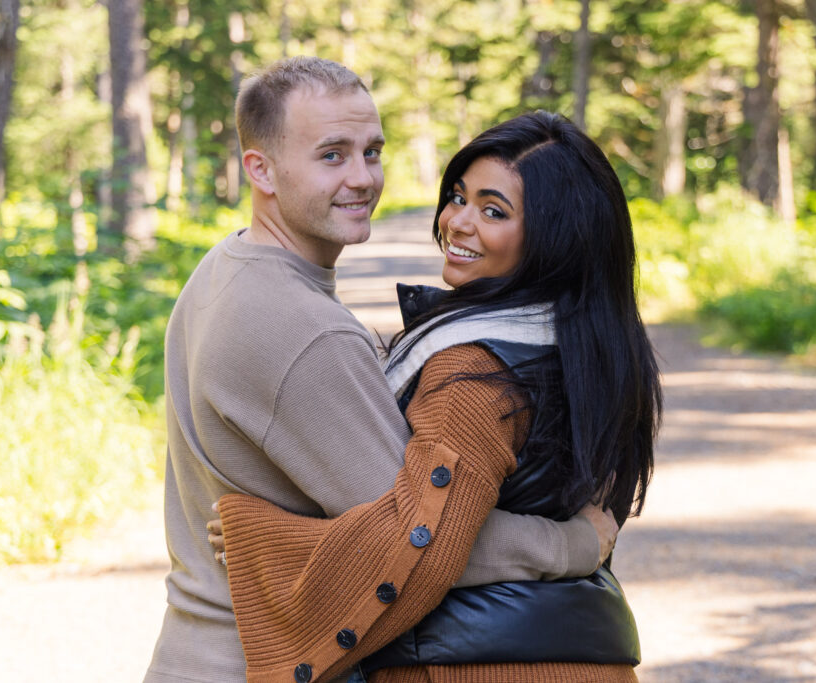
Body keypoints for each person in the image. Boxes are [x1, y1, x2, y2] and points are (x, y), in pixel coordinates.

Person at [143, 57, 618, 683]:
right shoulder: (305, 331)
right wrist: (572, 545)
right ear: (260, 169)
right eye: (332, 156)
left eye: (373, 151)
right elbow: (419, 541)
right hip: (254, 658)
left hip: (207, 647)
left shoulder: (229, 264)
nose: (364, 178)